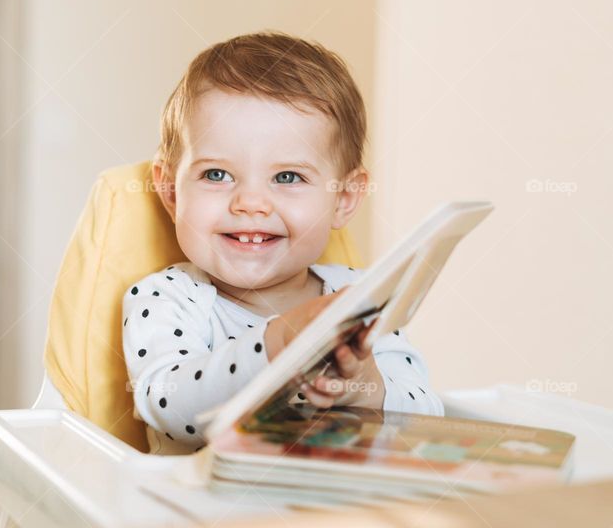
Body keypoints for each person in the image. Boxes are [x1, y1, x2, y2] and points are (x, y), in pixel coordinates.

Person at [122, 32, 443, 454]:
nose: (251, 203)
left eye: (287, 177)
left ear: (343, 199)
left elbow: (427, 421)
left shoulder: (358, 299)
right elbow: (170, 406)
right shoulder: (166, 298)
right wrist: (279, 343)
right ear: (172, 192)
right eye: (216, 175)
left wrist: (366, 389)